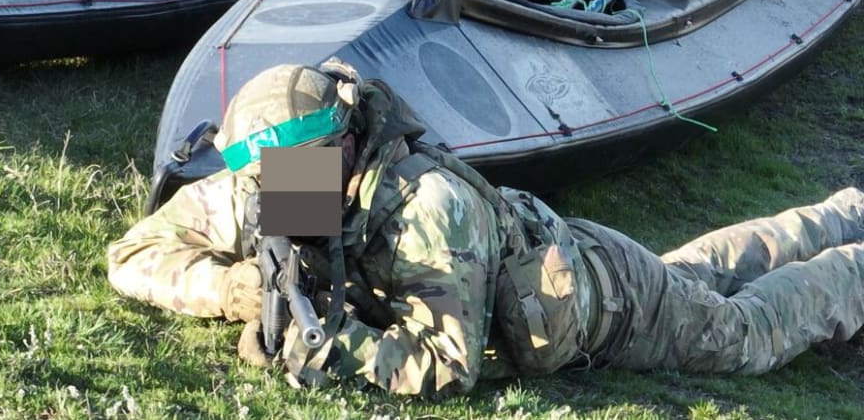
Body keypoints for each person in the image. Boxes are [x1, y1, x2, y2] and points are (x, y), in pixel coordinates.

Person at [107, 60, 864, 397]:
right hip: (563, 260)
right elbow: (134, 255)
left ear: (343, 145)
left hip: (609, 307)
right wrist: (231, 287)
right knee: (701, 274)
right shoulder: (285, 177)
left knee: (744, 332)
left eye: (299, 169)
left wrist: (325, 346)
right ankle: (846, 210)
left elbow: (444, 365)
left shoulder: (427, 207)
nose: (280, 193)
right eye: (266, 179)